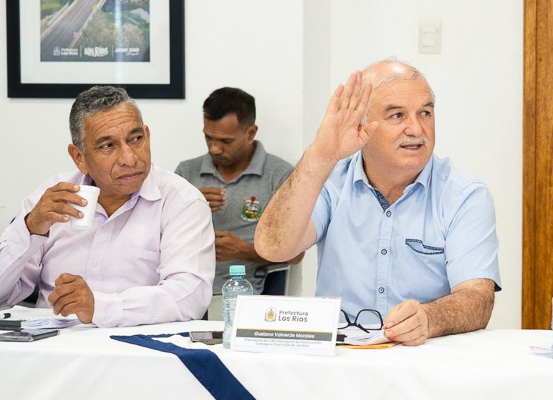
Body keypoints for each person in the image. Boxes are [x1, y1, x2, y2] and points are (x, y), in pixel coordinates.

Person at [254, 60, 501, 346]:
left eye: (425, 112)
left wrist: (429, 318)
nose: (416, 129)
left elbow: (477, 298)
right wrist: (320, 156)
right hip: (340, 355)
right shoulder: (330, 180)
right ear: (361, 125)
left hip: (423, 353)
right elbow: (274, 247)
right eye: (397, 115)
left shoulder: (464, 194)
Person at [0, 86, 215, 327]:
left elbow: (190, 296)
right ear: (79, 157)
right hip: (53, 344)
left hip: (139, 345)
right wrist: (30, 228)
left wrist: (100, 307)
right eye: (107, 146)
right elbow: (3, 295)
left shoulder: (182, 201)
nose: (129, 159)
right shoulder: (52, 199)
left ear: (148, 136)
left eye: (136, 139)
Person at [176, 87, 303, 320]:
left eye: (226, 141)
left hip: (245, 298)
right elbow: (159, 240)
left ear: (250, 133)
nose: (214, 148)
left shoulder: (280, 176)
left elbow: (296, 254)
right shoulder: (186, 172)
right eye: (208, 137)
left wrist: (246, 251)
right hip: (184, 293)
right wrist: (190, 207)